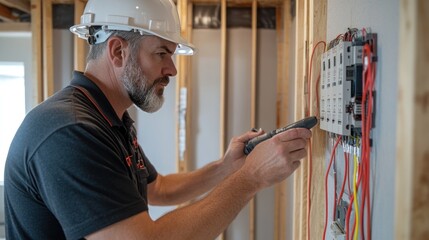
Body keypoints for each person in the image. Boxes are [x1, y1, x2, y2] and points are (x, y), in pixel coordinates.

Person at [4, 0, 312, 239]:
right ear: (117, 51)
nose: (172, 70)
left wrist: (226, 167)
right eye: (161, 53)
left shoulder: (110, 120)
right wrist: (251, 179)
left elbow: (158, 189)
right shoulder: (70, 132)